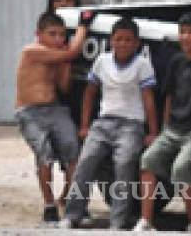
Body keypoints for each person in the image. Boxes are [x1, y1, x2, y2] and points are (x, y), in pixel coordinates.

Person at [61, 18, 158, 230]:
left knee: (124, 165)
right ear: (111, 41)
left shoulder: (142, 65)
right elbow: (89, 93)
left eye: (128, 40)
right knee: (86, 161)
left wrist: (153, 131)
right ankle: (72, 214)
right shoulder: (102, 61)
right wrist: (85, 125)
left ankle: (117, 221)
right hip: (103, 123)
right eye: (119, 39)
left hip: (131, 125)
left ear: (137, 43)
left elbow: (148, 100)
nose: (123, 44)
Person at [133, 11, 191, 232]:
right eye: (182, 32)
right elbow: (168, 96)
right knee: (148, 161)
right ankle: (146, 221)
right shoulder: (176, 61)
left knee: (182, 169)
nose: (185, 37)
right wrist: (163, 129)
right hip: (173, 128)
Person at [16, 10, 92, 225]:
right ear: (39, 34)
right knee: (45, 156)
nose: (58, 39)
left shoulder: (57, 56)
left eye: (61, 35)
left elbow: (64, 87)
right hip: (30, 112)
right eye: (52, 34)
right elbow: (73, 51)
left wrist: (65, 64)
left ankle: (72, 203)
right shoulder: (31, 51)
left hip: (55, 109)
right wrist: (83, 26)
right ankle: (49, 206)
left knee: (73, 152)